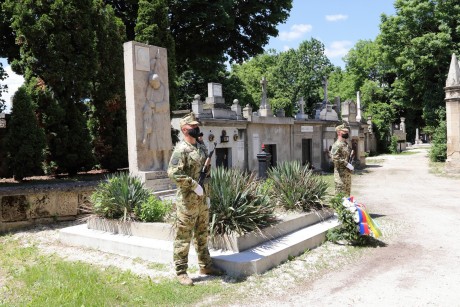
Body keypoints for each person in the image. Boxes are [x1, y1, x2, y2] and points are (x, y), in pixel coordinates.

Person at [167, 112, 223, 286]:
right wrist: (193, 184)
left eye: (197, 126)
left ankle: (205, 266)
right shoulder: (180, 149)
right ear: (184, 129)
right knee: (183, 237)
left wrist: (206, 189)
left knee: (202, 234)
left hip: (202, 198)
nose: (196, 129)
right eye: (193, 127)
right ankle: (181, 272)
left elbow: (206, 170)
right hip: (188, 201)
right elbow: (173, 173)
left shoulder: (201, 146)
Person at [331, 124, 354, 196]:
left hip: (347, 174)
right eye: (344, 132)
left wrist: (351, 158)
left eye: (347, 132)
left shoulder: (346, 144)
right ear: (338, 133)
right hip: (340, 175)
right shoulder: (336, 145)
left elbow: (347, 156)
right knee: (340, 194)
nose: (346, 133)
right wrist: (346, 164)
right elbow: (335, 158)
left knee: (347, 195)